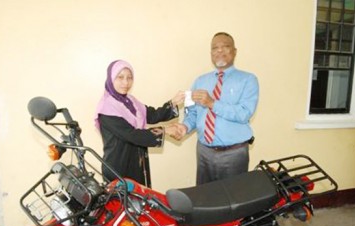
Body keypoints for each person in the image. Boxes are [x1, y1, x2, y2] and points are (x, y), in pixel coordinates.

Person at [176, 32, 259, 185]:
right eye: (215, 48)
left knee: (233, 201)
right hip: (204, 152)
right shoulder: (200, 81)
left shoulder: (248, 80)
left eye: (225, 47)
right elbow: (193, 113)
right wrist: (184, 127)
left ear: (234, 51)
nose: (219, 51)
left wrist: (212, 103)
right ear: (211, 53)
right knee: (205, 199)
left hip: (234, 153)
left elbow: (244, 113)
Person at [95, 60, 184, 187]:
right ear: (111, 78)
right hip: (119, 167)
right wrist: (165, 131)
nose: (126, 83)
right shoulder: (106, 108)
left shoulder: (130, 101)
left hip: (137, 162)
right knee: (124, 204)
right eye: (120, 77)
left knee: (140, 201)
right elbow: (132, 134)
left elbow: (151, 115)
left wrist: (173, 103)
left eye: (129, 78)